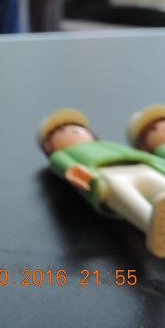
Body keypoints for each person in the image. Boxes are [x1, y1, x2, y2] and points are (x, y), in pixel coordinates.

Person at [38, 108, 165, 258]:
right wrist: (73, 171)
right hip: (106, 174)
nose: (73, 132)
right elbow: (62, 164)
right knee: (128, 196)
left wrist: (157, 165)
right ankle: (152, 226)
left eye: (77, 129)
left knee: (159, 184)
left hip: (140, 165)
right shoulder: (63, 154)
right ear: (49, 146)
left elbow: (147, 157)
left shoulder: (107, 144)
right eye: (61, 132)